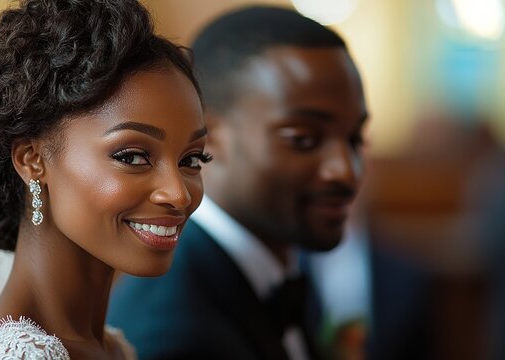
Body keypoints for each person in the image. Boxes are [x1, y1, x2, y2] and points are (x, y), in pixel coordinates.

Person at [0, 0, 210, 359]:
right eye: (133, 156)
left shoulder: (113, 346)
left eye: (192, 159)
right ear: (31, 160)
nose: (178, 193)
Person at [108, 6, 368, 360]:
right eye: (303, 139)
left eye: (354, 139)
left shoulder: (281, 272)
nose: (346, 171)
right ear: (207, 136)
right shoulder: (173, 330)